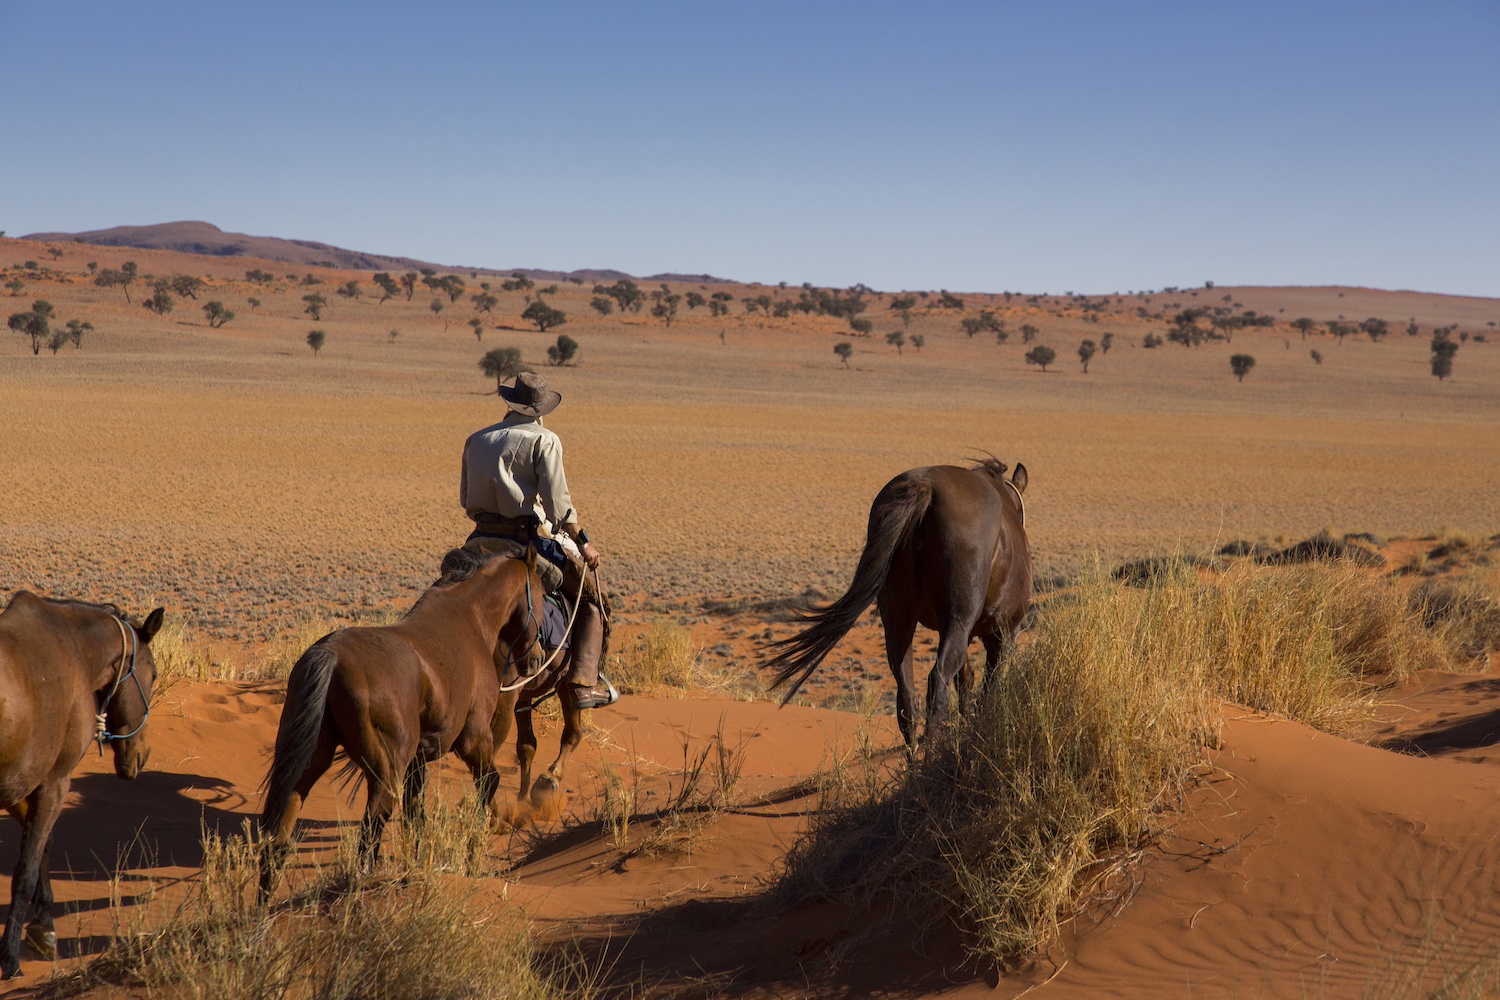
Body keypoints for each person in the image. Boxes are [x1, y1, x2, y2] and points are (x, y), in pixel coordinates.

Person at [459, 371, 616, 710]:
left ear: (510, 401)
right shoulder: (544, 440)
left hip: (478, 543)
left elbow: (465, 499)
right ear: (541, 407)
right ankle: (583, 683)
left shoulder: (476, 439)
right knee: (592, 598)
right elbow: (559, 507)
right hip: (524, 543)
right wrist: (584, 543)